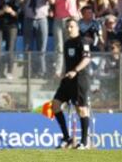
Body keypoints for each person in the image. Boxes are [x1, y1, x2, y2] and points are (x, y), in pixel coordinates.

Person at [52, 18, 91, 150]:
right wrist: (62, 74)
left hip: (79, 80)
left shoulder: (83, 41)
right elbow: (66, 61)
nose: (69, 29)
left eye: (72, 27)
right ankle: (66, 138)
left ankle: (84, 142)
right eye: (67, 27)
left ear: (78, 28)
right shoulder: (67, 43)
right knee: (55, 104)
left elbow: (86, 59)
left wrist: (75, 71)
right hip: (67, 80)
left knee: (81, 109)